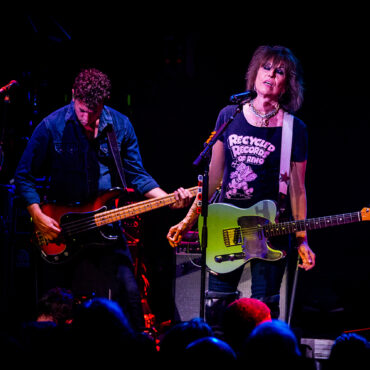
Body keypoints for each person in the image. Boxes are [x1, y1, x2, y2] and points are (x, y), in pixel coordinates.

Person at [14, 68, 192, 332]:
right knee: (55, 307)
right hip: (62, 229)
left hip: (105, 223)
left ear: (104, 103)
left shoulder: (119, 126)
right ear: (74, 96)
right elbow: (23, 176)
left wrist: (167, 199)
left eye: (94, 111)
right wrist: (38, 216)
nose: (87, 118)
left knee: (130, 298)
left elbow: (137, 175)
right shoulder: (51, 126)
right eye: (82, 110)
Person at [167, 45, 316, 319]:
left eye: (279, 71)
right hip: (226, 226)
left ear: (287, 85)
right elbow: (212, 179)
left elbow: (298, 189)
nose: (270, 74)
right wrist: (188, 220)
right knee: (217, 308)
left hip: (270, 230)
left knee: (263, 313)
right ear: (255, 73)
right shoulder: (230, 115)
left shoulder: (295, 129)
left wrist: (302, 240)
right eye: (266, 67)